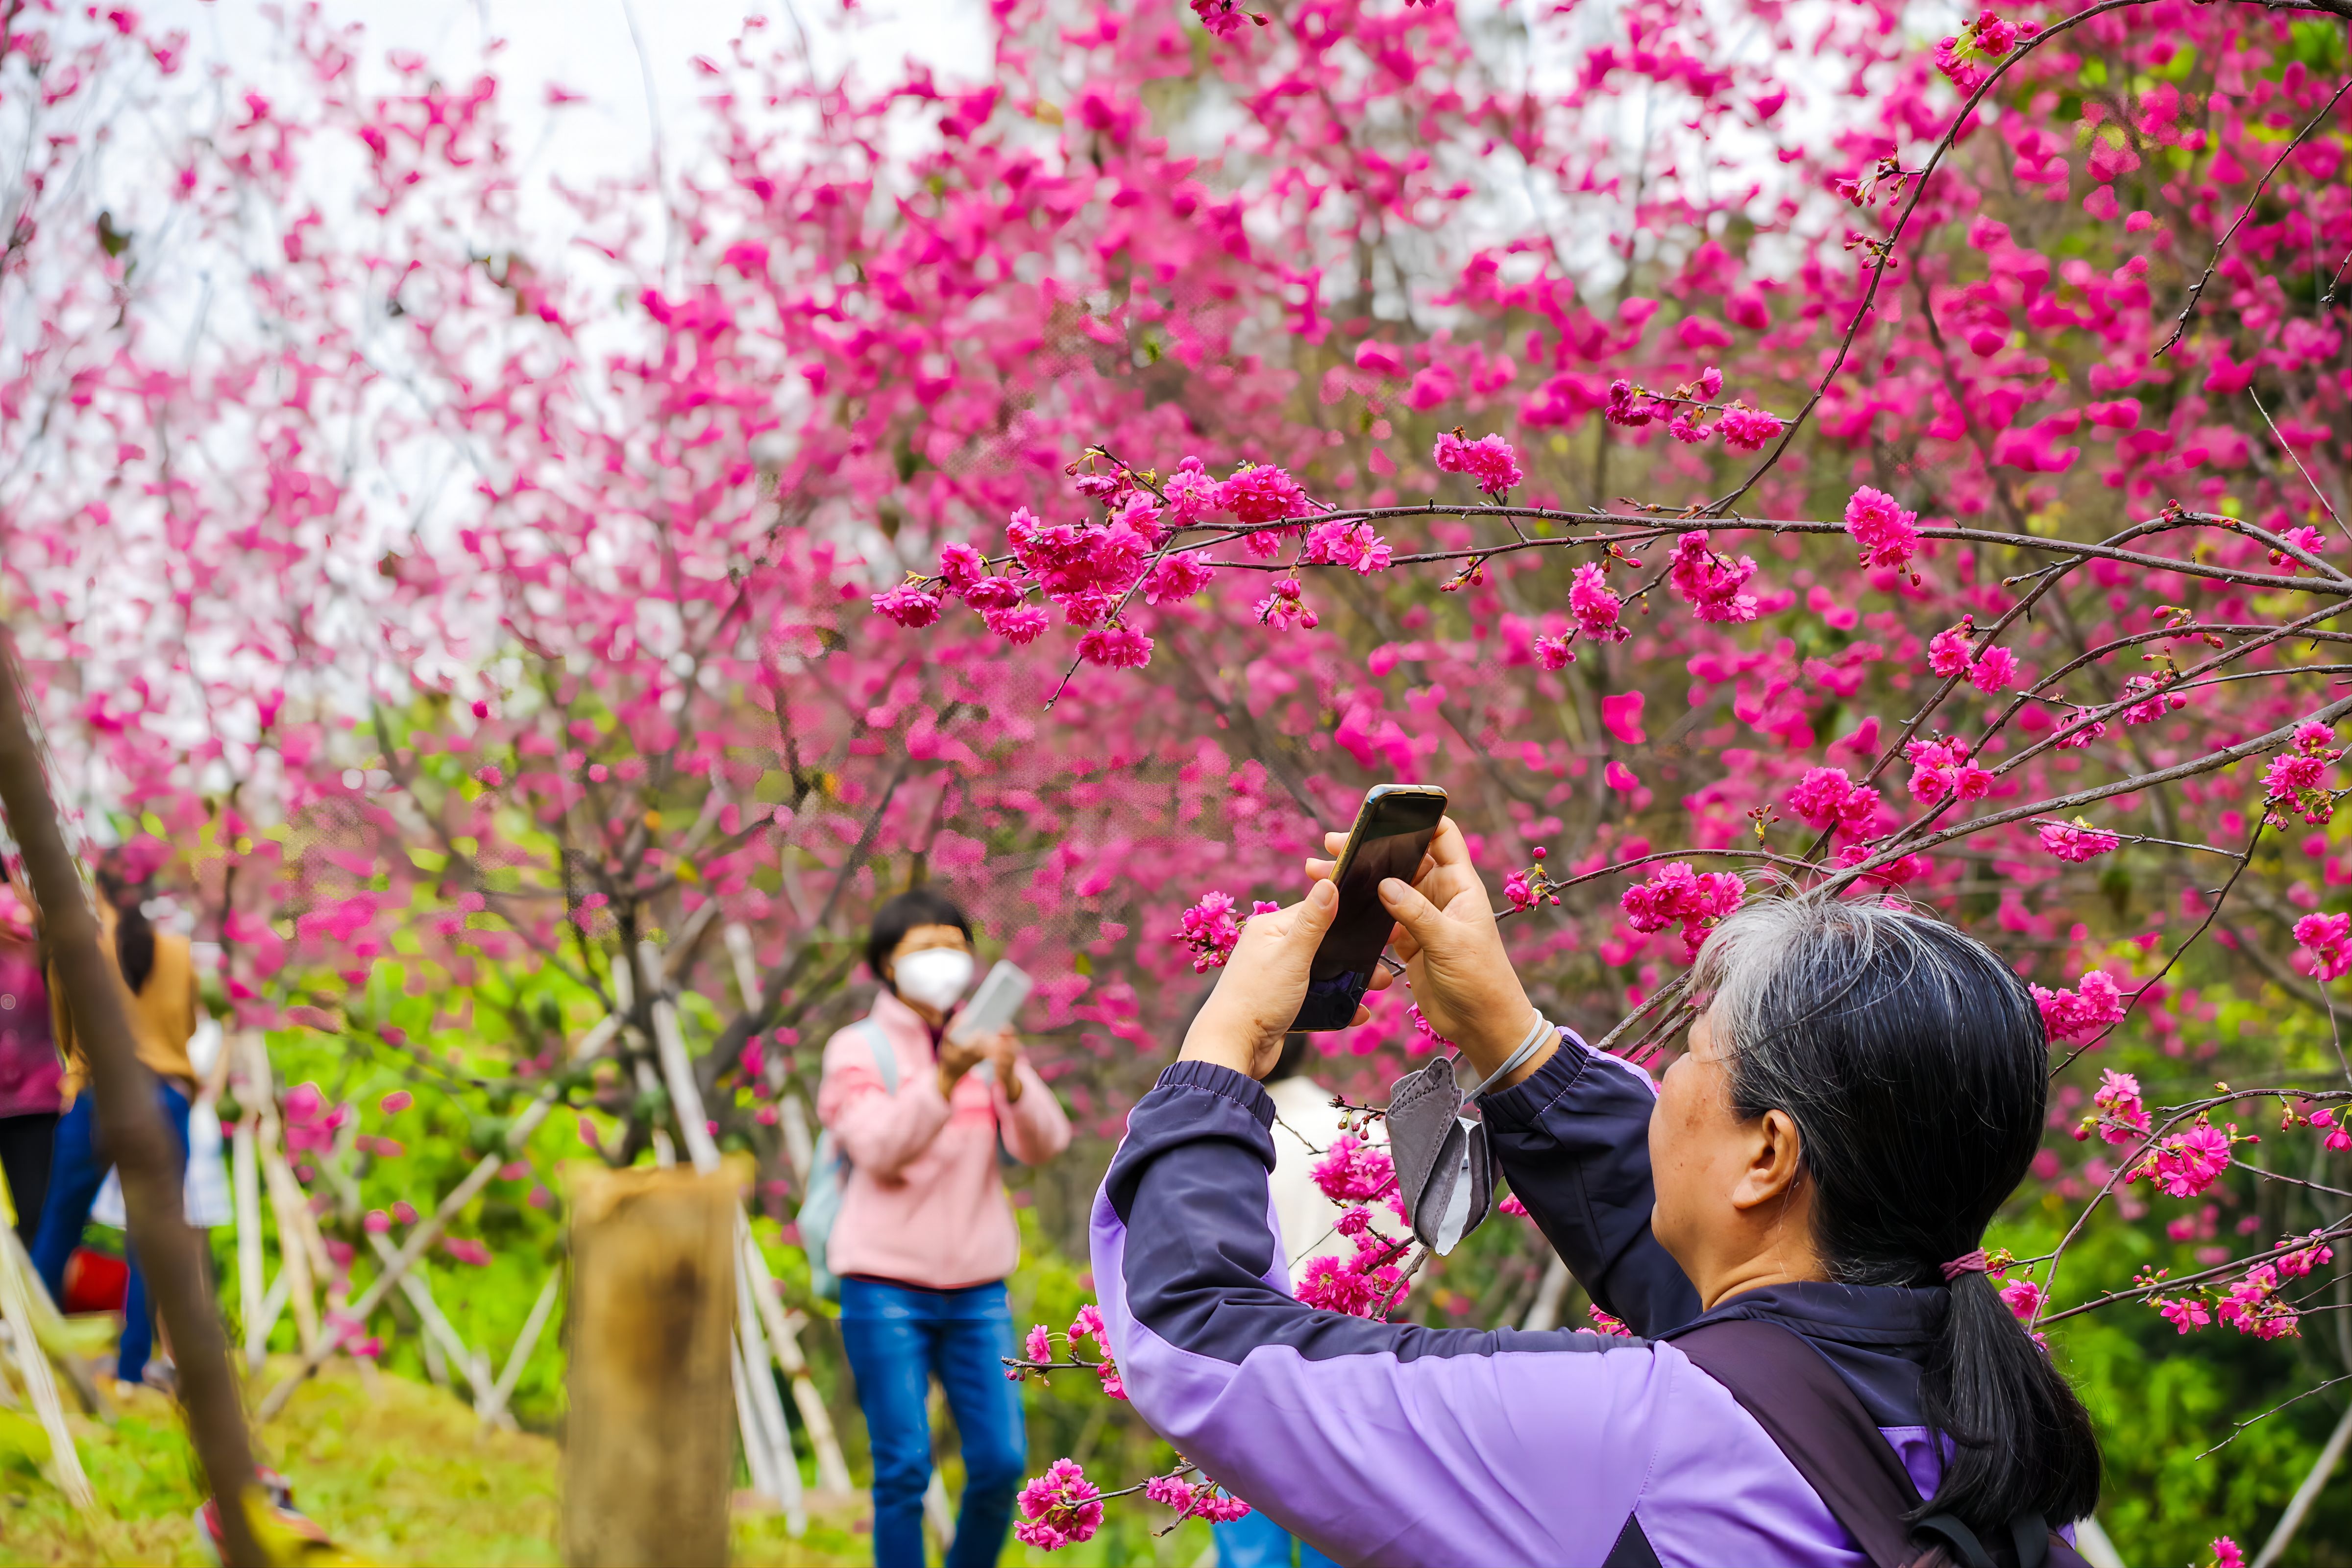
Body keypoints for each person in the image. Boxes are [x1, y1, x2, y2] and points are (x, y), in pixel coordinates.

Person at [1091, 819, 2101, 1567]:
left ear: (1768, 1154)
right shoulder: (1983, 1417)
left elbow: (1201, 1338)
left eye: (1695, 1057)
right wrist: (1509, 1037)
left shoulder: (1630, 1431)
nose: (1666, 1081)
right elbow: (1743, 1321)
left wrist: (1223, 1058)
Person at [818, 887, 1073, 1568]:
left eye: (954, 947)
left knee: (999, 1462)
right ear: (885, 965)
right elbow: (878, 1149)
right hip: (883, 1283)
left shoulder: (985, 1044)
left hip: (977, 1286)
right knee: (902, 1466)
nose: (943, 961)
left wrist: (1011, 1078)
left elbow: (1047, 1143)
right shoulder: (856, 1050)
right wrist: (944, 1079)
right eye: (923, 948)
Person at [32, 868, 199, 1389]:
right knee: (148, 1239)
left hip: (96, 1094)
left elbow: (64, 1028)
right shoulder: (178, 950)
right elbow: (188, 1025)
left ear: (98, 889)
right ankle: (132, 1370)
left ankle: (37, 1355)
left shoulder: (76, 949)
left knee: (60, 1224)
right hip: (164, 1096)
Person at [1214, 1032, 1348, 1568]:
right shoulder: (1355, 1129)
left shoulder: (1211, 1140)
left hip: (1237, 1359)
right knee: (1340, 1534)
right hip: (1348, 1355)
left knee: (1249, 1546)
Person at [0, 877, 60, 1249]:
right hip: (36, 1093)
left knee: (36, 1213)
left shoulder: (16, 906)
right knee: (36, 1213)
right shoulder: (30, 908)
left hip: (31, 1094)